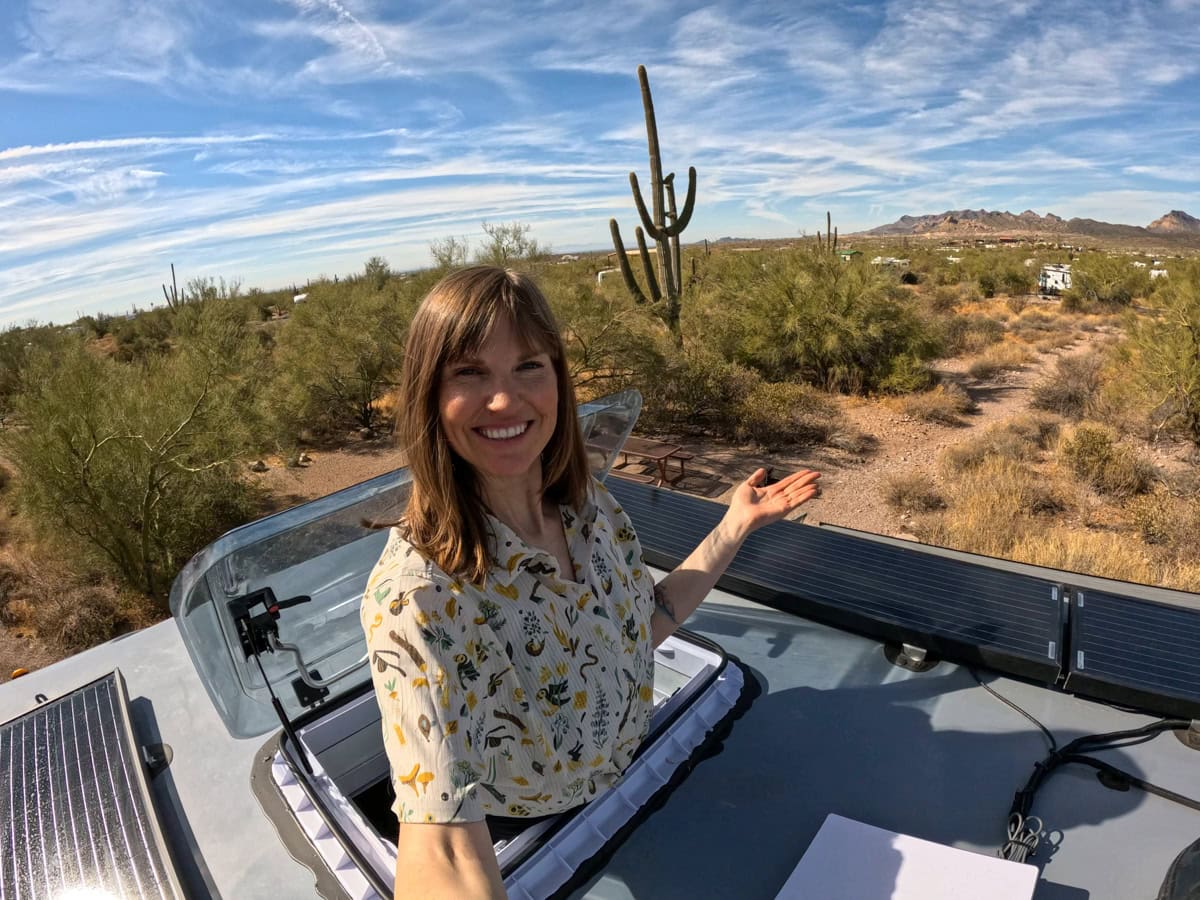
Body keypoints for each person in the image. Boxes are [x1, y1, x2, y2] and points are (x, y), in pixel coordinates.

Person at [361, 266, 820, 899]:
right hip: (535, 826)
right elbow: (440, 836)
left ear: (558, 380)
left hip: (637, 771)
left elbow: (646, 623)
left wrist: (735, 524)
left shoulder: (590, 510)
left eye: (529, 367)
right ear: (428, 397)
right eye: (470, 373)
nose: (504, 400)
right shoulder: (419, 596)